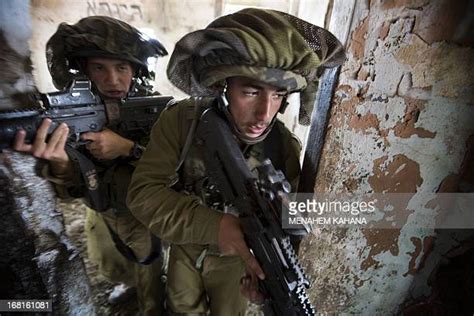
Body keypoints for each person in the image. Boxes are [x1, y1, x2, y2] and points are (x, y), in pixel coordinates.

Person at [127, 8, 345, 315]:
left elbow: (284, 228)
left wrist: (263, 276)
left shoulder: (282, 147)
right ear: (222, 86)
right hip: (186, 244)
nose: (264, 113)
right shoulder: (181, 121)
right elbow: (142, 195)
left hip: (237, 264)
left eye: (279, 95)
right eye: (251, 91)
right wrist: (215, 226)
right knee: (180, 308)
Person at [13, 16, 168, 315]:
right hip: (100, 208)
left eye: (121, 68)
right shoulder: (72, 111)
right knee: (111, 261)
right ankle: (129, 285)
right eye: (100, 68)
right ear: (82, 71)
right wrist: (60, 162)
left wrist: (128, 148)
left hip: (144, 214)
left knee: (151, 270)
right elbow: (71, 189)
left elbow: (177, 168)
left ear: (136, 70)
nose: (112, 80)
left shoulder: (154, 110)